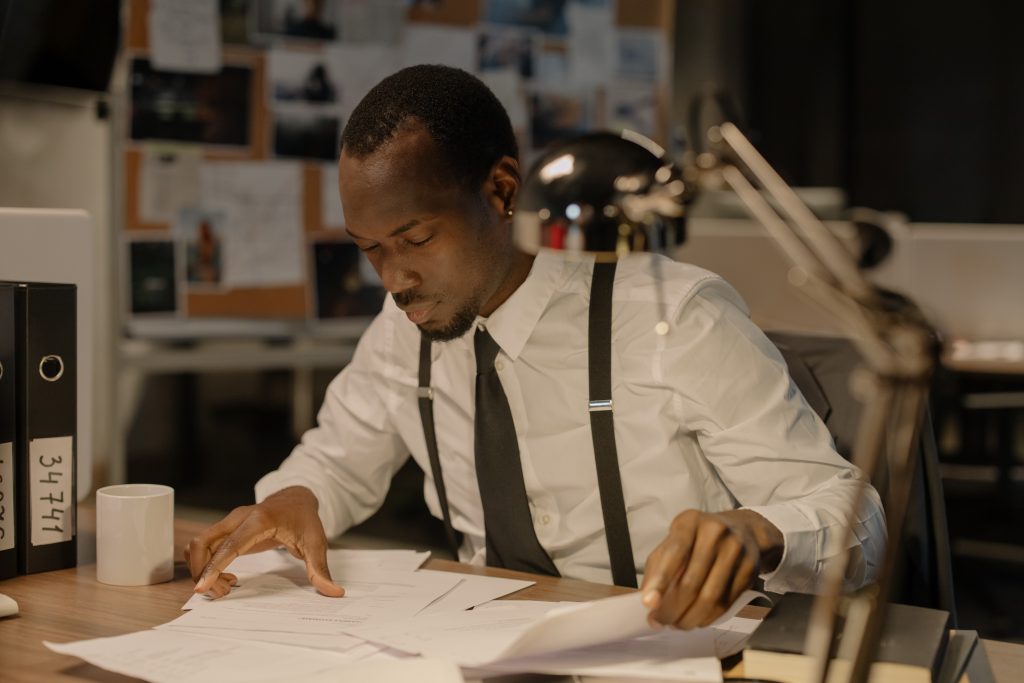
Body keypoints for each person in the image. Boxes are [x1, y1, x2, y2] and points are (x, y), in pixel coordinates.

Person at [186, 65, 886, 630]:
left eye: (417, 239)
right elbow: (338, 457)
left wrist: (757, 531)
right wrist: (293, 497)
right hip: (485, 644)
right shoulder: (408, 326)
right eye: (370, 250)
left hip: (668, 647)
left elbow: (854, 515)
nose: (393, 279)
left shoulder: (673, 315)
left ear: (502, 190)